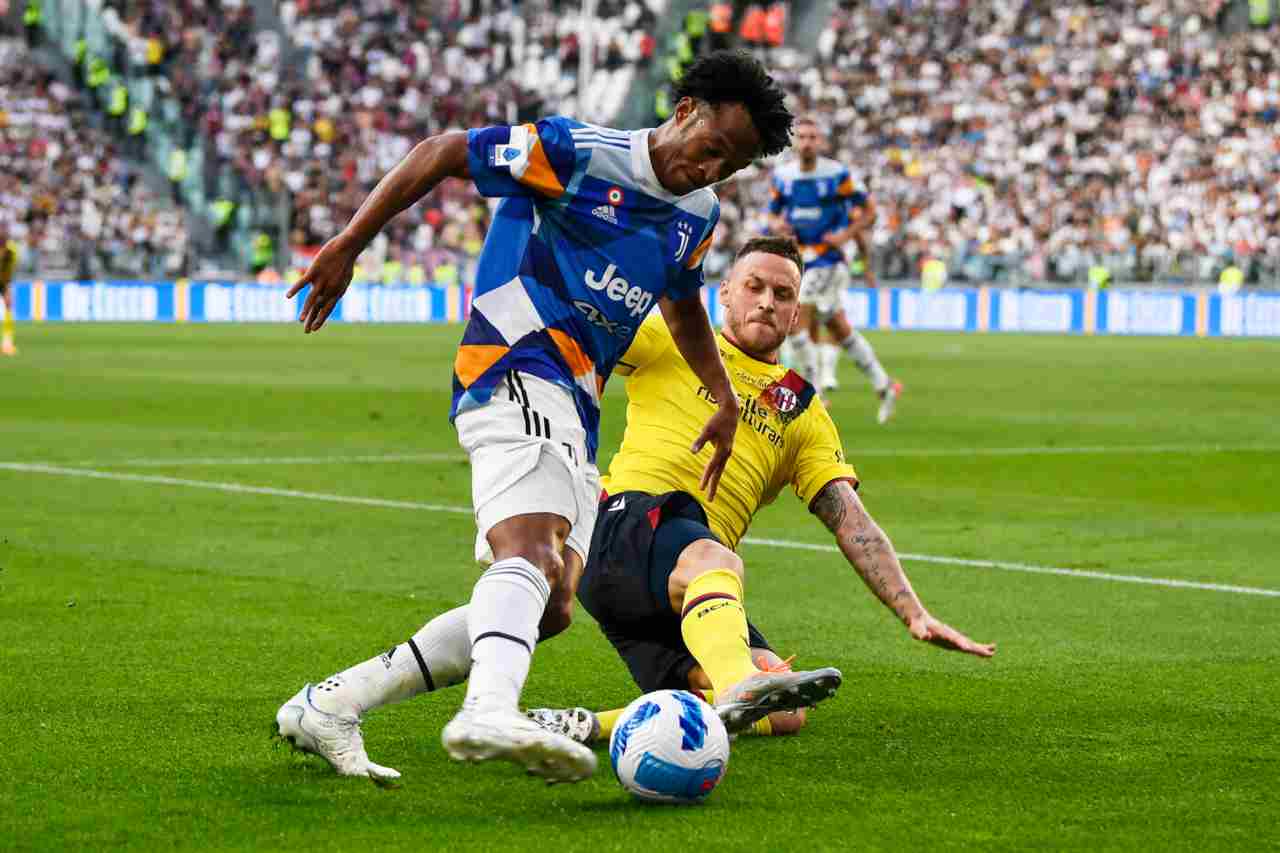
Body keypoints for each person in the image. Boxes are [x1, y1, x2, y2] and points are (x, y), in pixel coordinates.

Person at [274, 50, 804, 785]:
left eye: (732, 165)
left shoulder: (698, 215)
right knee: (529, 547)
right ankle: (489, 709)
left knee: (552, 604)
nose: (711, 170)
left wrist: (721, 395)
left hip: (577, 403)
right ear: (684, 112)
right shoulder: (578, 152)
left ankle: (333, 703)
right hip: (514, 358)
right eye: (712, 148)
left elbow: (682, 302)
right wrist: (348, 243)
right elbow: (443, 151)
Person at [524, 236, 994, 745]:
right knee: (715, 562)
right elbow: (581, 330)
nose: (767, 302)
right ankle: (737, 682)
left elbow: (850, 520)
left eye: (783, 294)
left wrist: (914, 613)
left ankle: (586, 725)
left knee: (785, 709)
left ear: (796, 313)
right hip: (623, 530)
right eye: (754, 286)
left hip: (684, 592)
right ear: (725, 292)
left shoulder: (801, 410)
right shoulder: (673, 338)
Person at [768, 117, 902, 423]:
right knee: (838, 328)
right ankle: (884, 385)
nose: (807, 142)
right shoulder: (783, 177)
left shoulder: (837, 174)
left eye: (812, 137)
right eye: (802, 137)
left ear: (821, 142)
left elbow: (870, 211)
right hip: (802, 260)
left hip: (829, 259)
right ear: (794, 141)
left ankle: (813, 395)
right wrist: (779, 227)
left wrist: (844, 235)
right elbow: (773, 215)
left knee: (794, 318)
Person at [1, 225, 18, 356]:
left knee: (9, 306)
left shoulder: (11, 250)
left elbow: (10, 268)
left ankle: (7, 342)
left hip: (4, 281)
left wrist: (7, 285)